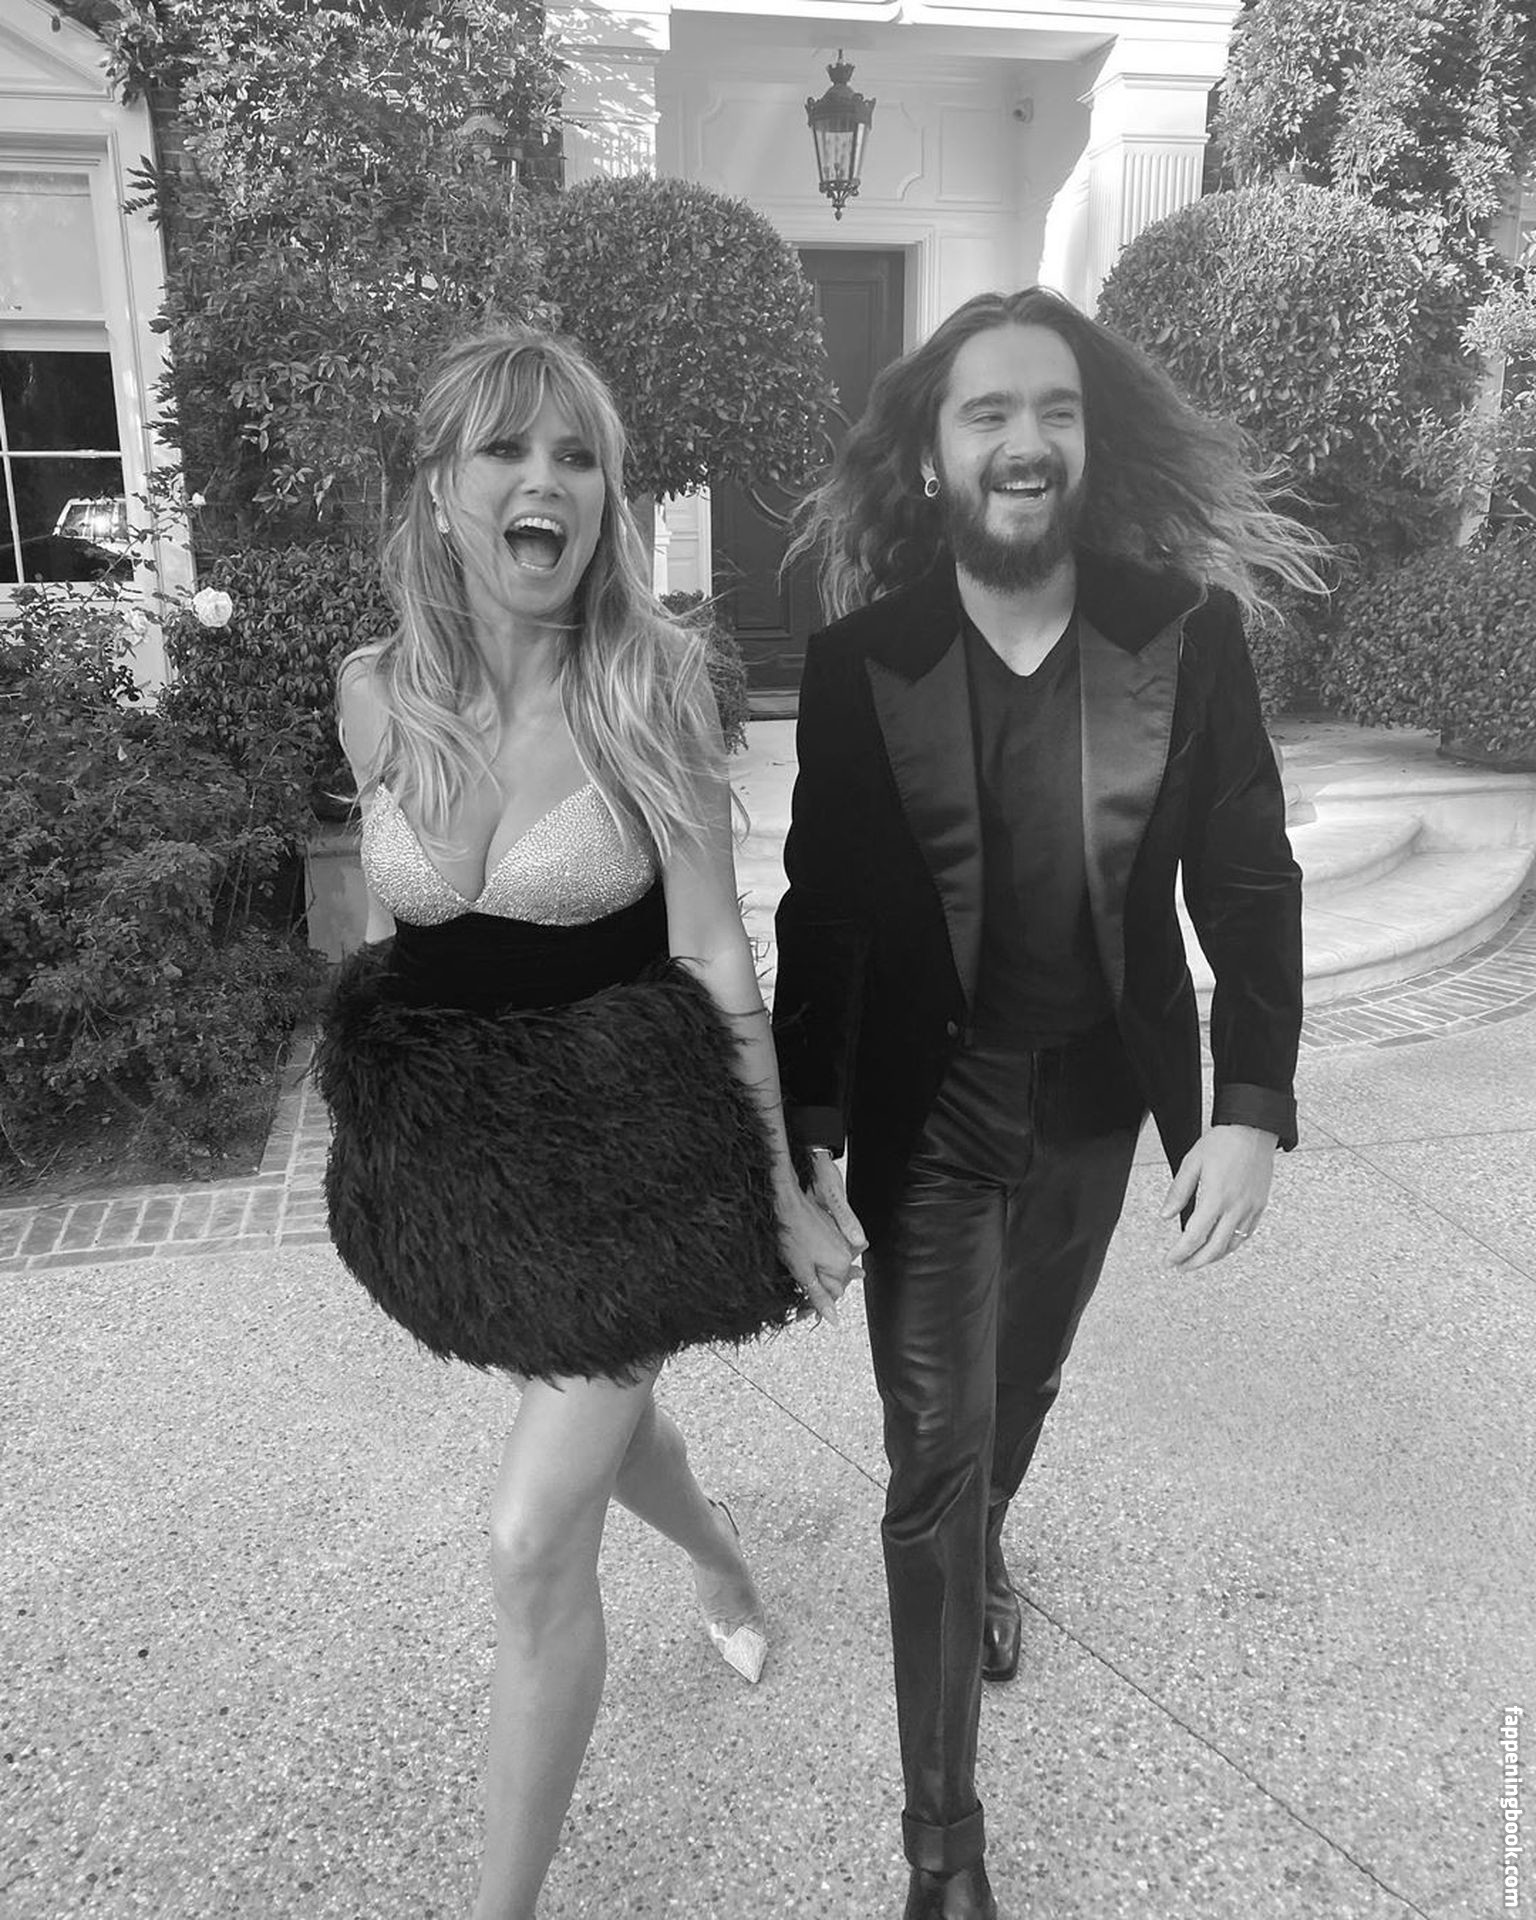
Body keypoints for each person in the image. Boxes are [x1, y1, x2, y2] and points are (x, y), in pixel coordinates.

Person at [772, 286, 1328, 1920]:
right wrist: (807, 1130)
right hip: (928, 1113)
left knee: (1018, 1387)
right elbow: (826, 909)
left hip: (1094, 1100)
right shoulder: (862, 662)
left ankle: (991, 1535)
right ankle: (944, 1854)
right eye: (989, 413)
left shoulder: (1186, 632)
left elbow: (1247, 873)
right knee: (929, 1456)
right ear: (931, 458)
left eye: (1056, 411)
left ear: (1089, 442)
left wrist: (1252, 1102)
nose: (1026, 441)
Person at [312, 329, 857, 1920]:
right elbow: (397, 943)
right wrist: (381, 1121)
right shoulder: (371, 694)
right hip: (473, 1178)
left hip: (631, 1168)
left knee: (529, 1535)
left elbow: (715, 955)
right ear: (441, 492)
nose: (542, 480)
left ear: (607, 498)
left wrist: (781, 1193)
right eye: (504, 450)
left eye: (576, 456)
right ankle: (723, 1556)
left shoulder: (650, 684)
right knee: (611, 1428)